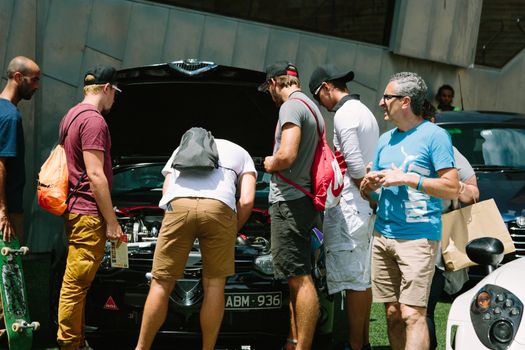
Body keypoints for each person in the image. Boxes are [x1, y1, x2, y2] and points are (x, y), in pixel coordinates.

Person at [360, 72, 460, 350]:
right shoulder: (384, 139)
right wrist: (369, 186)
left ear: (405, 101)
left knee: (412, 314)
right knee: (392, 314)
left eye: (386, 97)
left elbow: (452, 187)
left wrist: (409, 179)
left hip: (418, 238)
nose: (380, 103)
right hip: (383, 235)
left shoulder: (435, 136)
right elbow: (379, 193)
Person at [135, 130, 257, 350]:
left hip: (179, 204)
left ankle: (141, 348)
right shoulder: (242, 153)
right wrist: (232, 229)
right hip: (219, 208)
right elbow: (247, 200)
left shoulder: (183, 148)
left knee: (161, 282)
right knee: (214, 285)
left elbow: (167, 190)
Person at [308, 64, 379, 350]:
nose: (321, 105)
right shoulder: (363, 111)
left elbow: (353, 164)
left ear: (326, 87)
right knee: (362, 277)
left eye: (318, 97)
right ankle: (361, 342)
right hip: (360, 205)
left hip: (352, 204)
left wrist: (367, 195)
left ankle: (353, 344)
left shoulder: (345, 114)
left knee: (354, 281)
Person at [57, 65, 124, 350]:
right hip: (88, 212)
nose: (115, 101)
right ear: (107, 88)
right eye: (115, 93)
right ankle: (70, 343)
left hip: (75, 208)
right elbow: (96, 175)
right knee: (76, 284)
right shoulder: (95, 122)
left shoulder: (70, 115)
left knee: (77, 283)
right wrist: (111, 222)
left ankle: (77, 340)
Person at [259, 61, 322, 350]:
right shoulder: (310, 106)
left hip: (290, 202)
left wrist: (269, 162)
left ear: (274, 83)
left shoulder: (290, 107)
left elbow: (287, 155)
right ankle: (293, 340)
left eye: (268, 88)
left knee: (300, 279)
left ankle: (302, 346)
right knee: (296, 277)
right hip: (304, 202)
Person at [422, 100, 479, 349]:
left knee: (423, 311)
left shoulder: (447, 150)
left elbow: (472, 193)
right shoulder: (397, 145)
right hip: (400, 239)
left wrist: (452, 187)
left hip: (433, 243)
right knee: (401, 312)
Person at [0, 56, 40, 243]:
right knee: (10, 268)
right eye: (34, 79)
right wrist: (2, 212)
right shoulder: (10, 116)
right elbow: (0, 165)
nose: (37, 86)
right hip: (8, 210)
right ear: (18, 77)